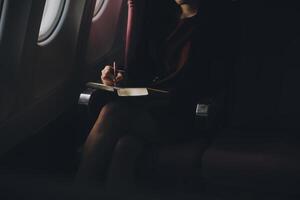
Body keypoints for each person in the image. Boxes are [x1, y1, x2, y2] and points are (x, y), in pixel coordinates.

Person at [76, 0, 235, 190]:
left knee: (112, 113)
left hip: (184, 113)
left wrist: (168, 95)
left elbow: (213, 81)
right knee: (125, 148)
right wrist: (119, 77)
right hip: (149, 108)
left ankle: (78, 189)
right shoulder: (161, 19)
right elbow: (144, 71)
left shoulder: (216, 24)